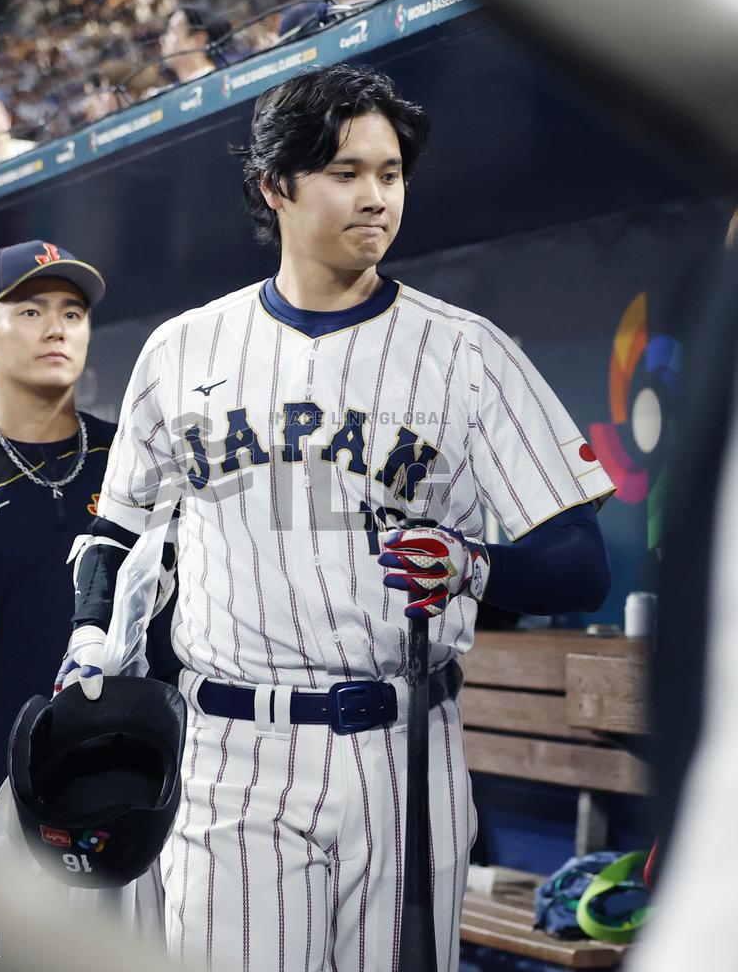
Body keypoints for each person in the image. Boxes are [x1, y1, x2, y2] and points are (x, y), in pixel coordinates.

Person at [56, 64, 615, 972]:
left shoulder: (464, 352)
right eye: (345, 173)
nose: (376, 197)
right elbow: (116, 530)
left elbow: (578, 560)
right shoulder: (182, 349)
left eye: (389, 173)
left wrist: (472, 563)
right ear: (277, 187)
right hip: (232, 749)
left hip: (403, 748)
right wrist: (87, 633)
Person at [0, 239, 117, 818]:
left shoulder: (132, 455)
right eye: (30, 311)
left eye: (72, 313)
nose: (56, 329)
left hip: (113, 776)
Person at [159, 2, 231, 84]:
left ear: (199, 40)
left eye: (173, 32)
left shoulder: (220, 83)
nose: (162, 39)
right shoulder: (169, 93)